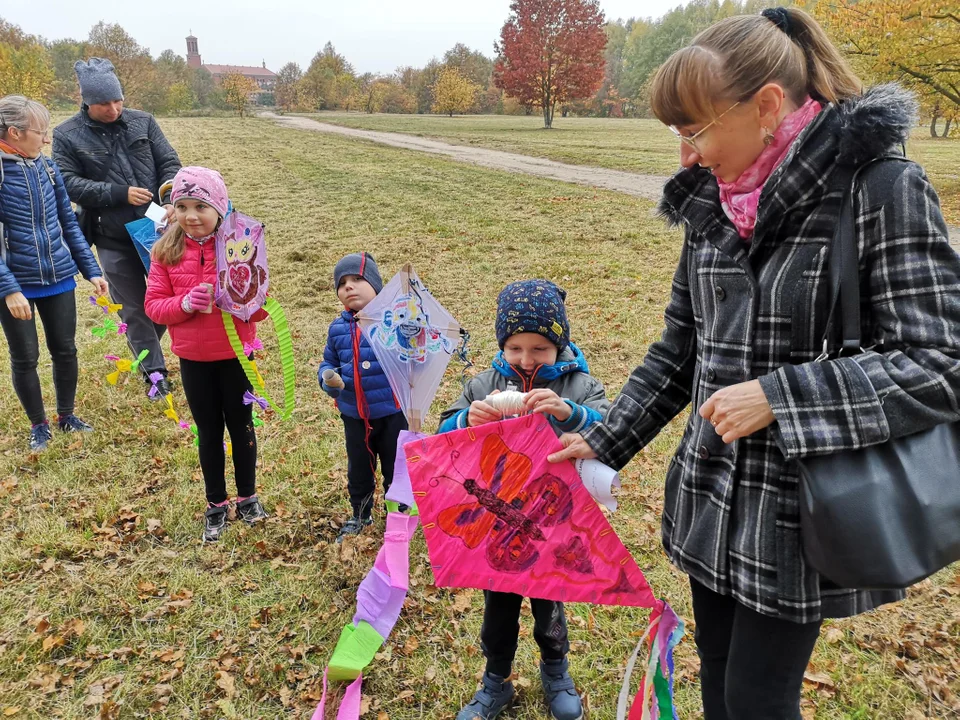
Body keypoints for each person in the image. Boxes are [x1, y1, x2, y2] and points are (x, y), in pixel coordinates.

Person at [548, 8, 960, 720]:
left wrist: (783, 395)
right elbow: (681, 346)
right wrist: (605, 437)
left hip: (801, 515)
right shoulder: (711, 203)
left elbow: (940, 361)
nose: (687, 156)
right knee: (717, 681)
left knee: (756, 700)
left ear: (768, 106)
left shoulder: (879, 191)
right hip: (709, 498)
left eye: (696, 131)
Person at [439, 279, 609, 720]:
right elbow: (441, 436)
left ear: (558, 346)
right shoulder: (485, 383)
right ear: (503, 344)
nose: (526, 359)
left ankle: (557, 671)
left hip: (553, 519)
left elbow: (610, 427)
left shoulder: (578, 384)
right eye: (515, 347)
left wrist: (569, 413)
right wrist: (465, 418)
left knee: (550, 600)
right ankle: (496, 680)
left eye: (540, 349)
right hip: (497, 520)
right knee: (499, 604)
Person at [144, 167, 268, 542]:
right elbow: (153, 306)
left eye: (200, 205)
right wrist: (183, 303)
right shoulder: (166, 250)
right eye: (181, 206)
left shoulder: (240, 247)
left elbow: (258, 306)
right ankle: (216, 503)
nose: (191, 215)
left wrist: (247, 295)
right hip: (193, 359)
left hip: (234, 355)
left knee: (241, 425)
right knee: (209, 431)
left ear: (220, 207)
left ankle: (247, 496)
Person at [53, 58, 182, 400]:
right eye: (103, 103)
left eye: (117, 101)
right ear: (86, 101)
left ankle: (146, 350)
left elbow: (170, 161)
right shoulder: (65, 135)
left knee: (165, 300)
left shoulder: (144, 121)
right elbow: (66, 182)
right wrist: (116, 193)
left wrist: (170, 196)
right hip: (110, 235)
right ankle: (155, 373)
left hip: (158, 229)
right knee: (133, 307)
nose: (112, 109)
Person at [0, 95, 109, 451]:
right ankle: (39, 425)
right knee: (25, 357)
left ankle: (66, 416)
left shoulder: (47, 168)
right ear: (14, 133)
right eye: (40, 132)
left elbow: (69, 222)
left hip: (58, 277)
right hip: (16, 285)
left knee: (65, 349)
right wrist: (8, 288)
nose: (46, 139)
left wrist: (90, 269)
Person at [318, 252, 408, 542]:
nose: (349, 287)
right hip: (354, 415)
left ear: (376, 285)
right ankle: (360, 513)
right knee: (359, 468)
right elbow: (328, 361)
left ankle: (399, 516)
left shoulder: (393, 323)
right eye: (342, 283)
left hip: (392, 413)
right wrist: (328, 378)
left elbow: (411, 356)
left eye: (357, 279)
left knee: (396, 467)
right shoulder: (337, 328)